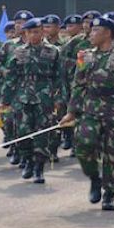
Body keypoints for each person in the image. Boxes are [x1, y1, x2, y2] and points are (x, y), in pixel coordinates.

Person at [60, 16, 114, 211]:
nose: (91, 34)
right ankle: (94, 178)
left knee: (113, 153)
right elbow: (78, 85)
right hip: (90, 108)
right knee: (83, 144)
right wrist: (71, 112)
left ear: (107, 33)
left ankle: (110, 193)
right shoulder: (84, 56)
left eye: (96, 31)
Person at [0, 18, 64, 184]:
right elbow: (11, 78)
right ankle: (27, 160)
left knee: (42, 134)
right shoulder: (18, 52)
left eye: (37, 31)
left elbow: (60, 78)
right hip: (22, 98)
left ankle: (39, 168)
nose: (34, 35)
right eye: (30, 32)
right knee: (22, 133)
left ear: (42, 32)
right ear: (25, 34)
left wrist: (59, 98)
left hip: (44, 99)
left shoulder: (53, 51)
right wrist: (4, 100)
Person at [0, 10, 34, 166]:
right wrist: (3, 71)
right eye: (17, 23)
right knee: (10, 122)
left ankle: (28, 155)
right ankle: (16, 148)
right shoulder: (9, 45)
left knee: (28, 124)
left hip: (33, 92)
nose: (20, 26)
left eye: (23, 23)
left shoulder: (40, 45)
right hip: (12, 91)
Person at [59, 10, 100, 156]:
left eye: (91, 22)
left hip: (97, 86)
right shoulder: (76, 41)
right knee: (76, 113)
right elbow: (63, 60)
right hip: (78, 84)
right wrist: (79, 63)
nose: (87, 25)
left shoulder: (103, 42)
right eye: (85, 22)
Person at [43, 14, 66, 163]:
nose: (46, 29)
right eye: (44, 26)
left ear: (58, 28)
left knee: (55, 120)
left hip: (57, 88)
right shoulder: (40, 45)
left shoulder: (65, 45)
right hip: (38, 91)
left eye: (49, 26)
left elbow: (62, 73)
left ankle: (53, 149)